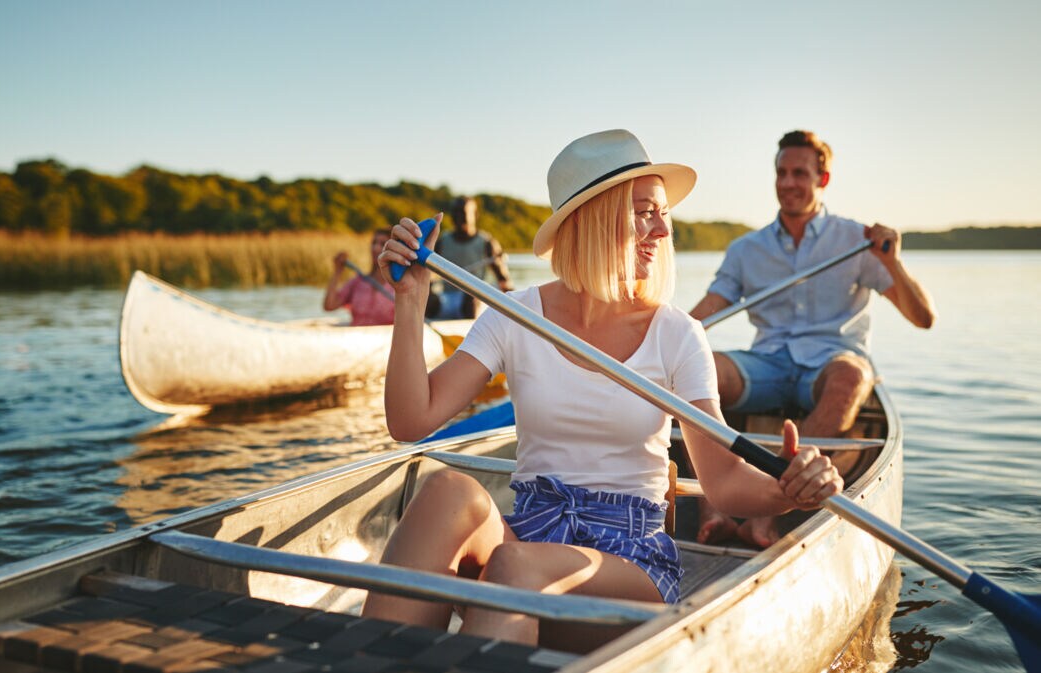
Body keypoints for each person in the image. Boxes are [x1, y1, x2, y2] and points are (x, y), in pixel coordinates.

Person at [362, 129, 843, 651]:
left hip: (629, 565)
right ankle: (373, 662)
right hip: (529, 533)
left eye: (663, 213)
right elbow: (410, 422)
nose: (663, 229)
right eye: (645, 212)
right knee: (446, 492)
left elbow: (723, 483)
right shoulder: (515, 315)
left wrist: (788, 488)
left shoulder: (677, 334)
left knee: (516, 566)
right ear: (594, 219)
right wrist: (409, 300)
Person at [688, 130, 936, 548]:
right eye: (781, 173)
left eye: (799, 173)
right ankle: (711, 512)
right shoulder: (747, 249)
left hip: (832, 363)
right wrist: (658, 341)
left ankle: (762, 512)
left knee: (851, 378)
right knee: (698, 366)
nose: (788, 183)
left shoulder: (858, 242)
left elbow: (923, 318)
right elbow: (708, 310)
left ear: (822, 180)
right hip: (767, 363)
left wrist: (892, 262)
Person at [428, 195, 514, 319]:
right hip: (448, 298)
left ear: (475, 215)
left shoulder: (487, 243)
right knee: (429, 300)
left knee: (471, 297)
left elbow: (504, 280)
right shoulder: (442, 242)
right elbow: (428, 275)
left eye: (462, 213)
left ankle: (472, 333)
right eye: (455, 212)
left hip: (476, 300)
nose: (458, 217)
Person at [322, 228, 395, 326]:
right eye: (374, 243)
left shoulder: (399, 286)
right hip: (356, 338)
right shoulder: (357, 282)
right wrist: (338, 271)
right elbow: (329, 305)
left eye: (382, 244)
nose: (375, 248)